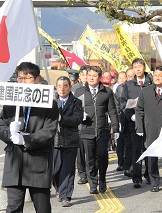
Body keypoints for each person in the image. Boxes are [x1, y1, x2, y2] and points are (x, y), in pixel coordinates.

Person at [0, 62, 59, 213]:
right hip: (14, 164)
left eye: (27, 78)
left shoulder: (49, 103)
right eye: (20, 78)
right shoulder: (11, 102)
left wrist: (26, 139)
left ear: (37, 79)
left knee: (42, 208)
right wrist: (10, 133)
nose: (22, 81)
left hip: (38, 164)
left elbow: (49, 131)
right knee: (13, 208)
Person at [74, 65, 119, 194]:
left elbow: (112, 111)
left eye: (94, 76)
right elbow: (75, 110)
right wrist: (79, 116)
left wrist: (115, 128)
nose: (91, 78)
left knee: (102, 155)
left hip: (102, 129)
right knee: (90, 158)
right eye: (89, 76)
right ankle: (93, 183)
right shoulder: (80, 92)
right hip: (86, 129)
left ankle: (102, 179)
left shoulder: (107, 92)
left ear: (99, 78)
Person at [135, 66, 162, 196]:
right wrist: (139, 128)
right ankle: (154, 182)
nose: (157, 77)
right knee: (151, 158)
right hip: (150, 129)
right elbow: (139, 110)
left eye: (160, 75)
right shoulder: (145, 91)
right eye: (155, 75)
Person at [120, 58, 152, 188]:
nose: (138, 69)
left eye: (140, 66)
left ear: (144, 68)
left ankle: (150, 174)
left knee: (149, 148)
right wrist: (131, 116)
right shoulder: (128, 85)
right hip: (134, 122)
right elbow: (123, 103)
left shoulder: (151, 82)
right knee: (136, 149)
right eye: (135, 67)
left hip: (150, 122)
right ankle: (137, 177)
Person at [53, 76, 83, 207]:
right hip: (54, 140)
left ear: (70, 87)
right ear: (56, 87)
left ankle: (66, 196)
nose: (62, 89)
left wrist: (62, 118)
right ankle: (59, 188)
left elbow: (77, 119)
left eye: (65, 86)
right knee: (55, 169)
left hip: (70, 140)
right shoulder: (51, 101)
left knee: (68, 169)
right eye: (59, 86)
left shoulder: (76, 102)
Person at [71, 65, 90, 185]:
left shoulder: (94, 87)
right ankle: (82, 173)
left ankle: (91, 172)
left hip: (90, 124)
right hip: (78, 125)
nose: (85, 77)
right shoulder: (74, 88)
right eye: (83, 75)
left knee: (90, 151)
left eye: (87, 75)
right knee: (80, 152)